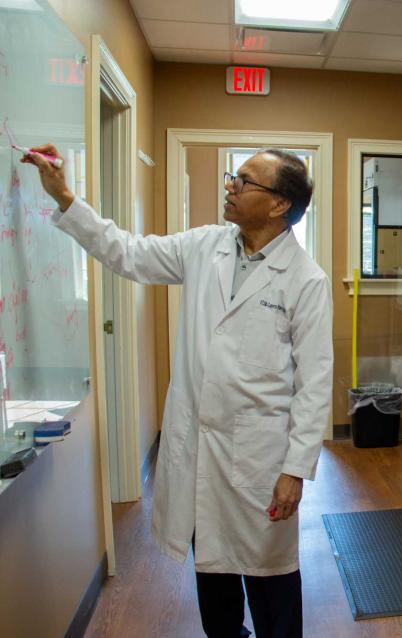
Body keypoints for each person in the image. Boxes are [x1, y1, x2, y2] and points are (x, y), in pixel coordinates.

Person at [23, 146, 333, 638]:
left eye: (245, 181)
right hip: (200, 449)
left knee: (271, 580)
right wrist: (65, 198)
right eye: (235, 176)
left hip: (259, 456)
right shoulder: (204, 246)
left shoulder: (306, 280)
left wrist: (295, 470)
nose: (231, 185)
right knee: (212, 570)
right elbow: (128, 252)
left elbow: (315, 383)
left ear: (278, 205)